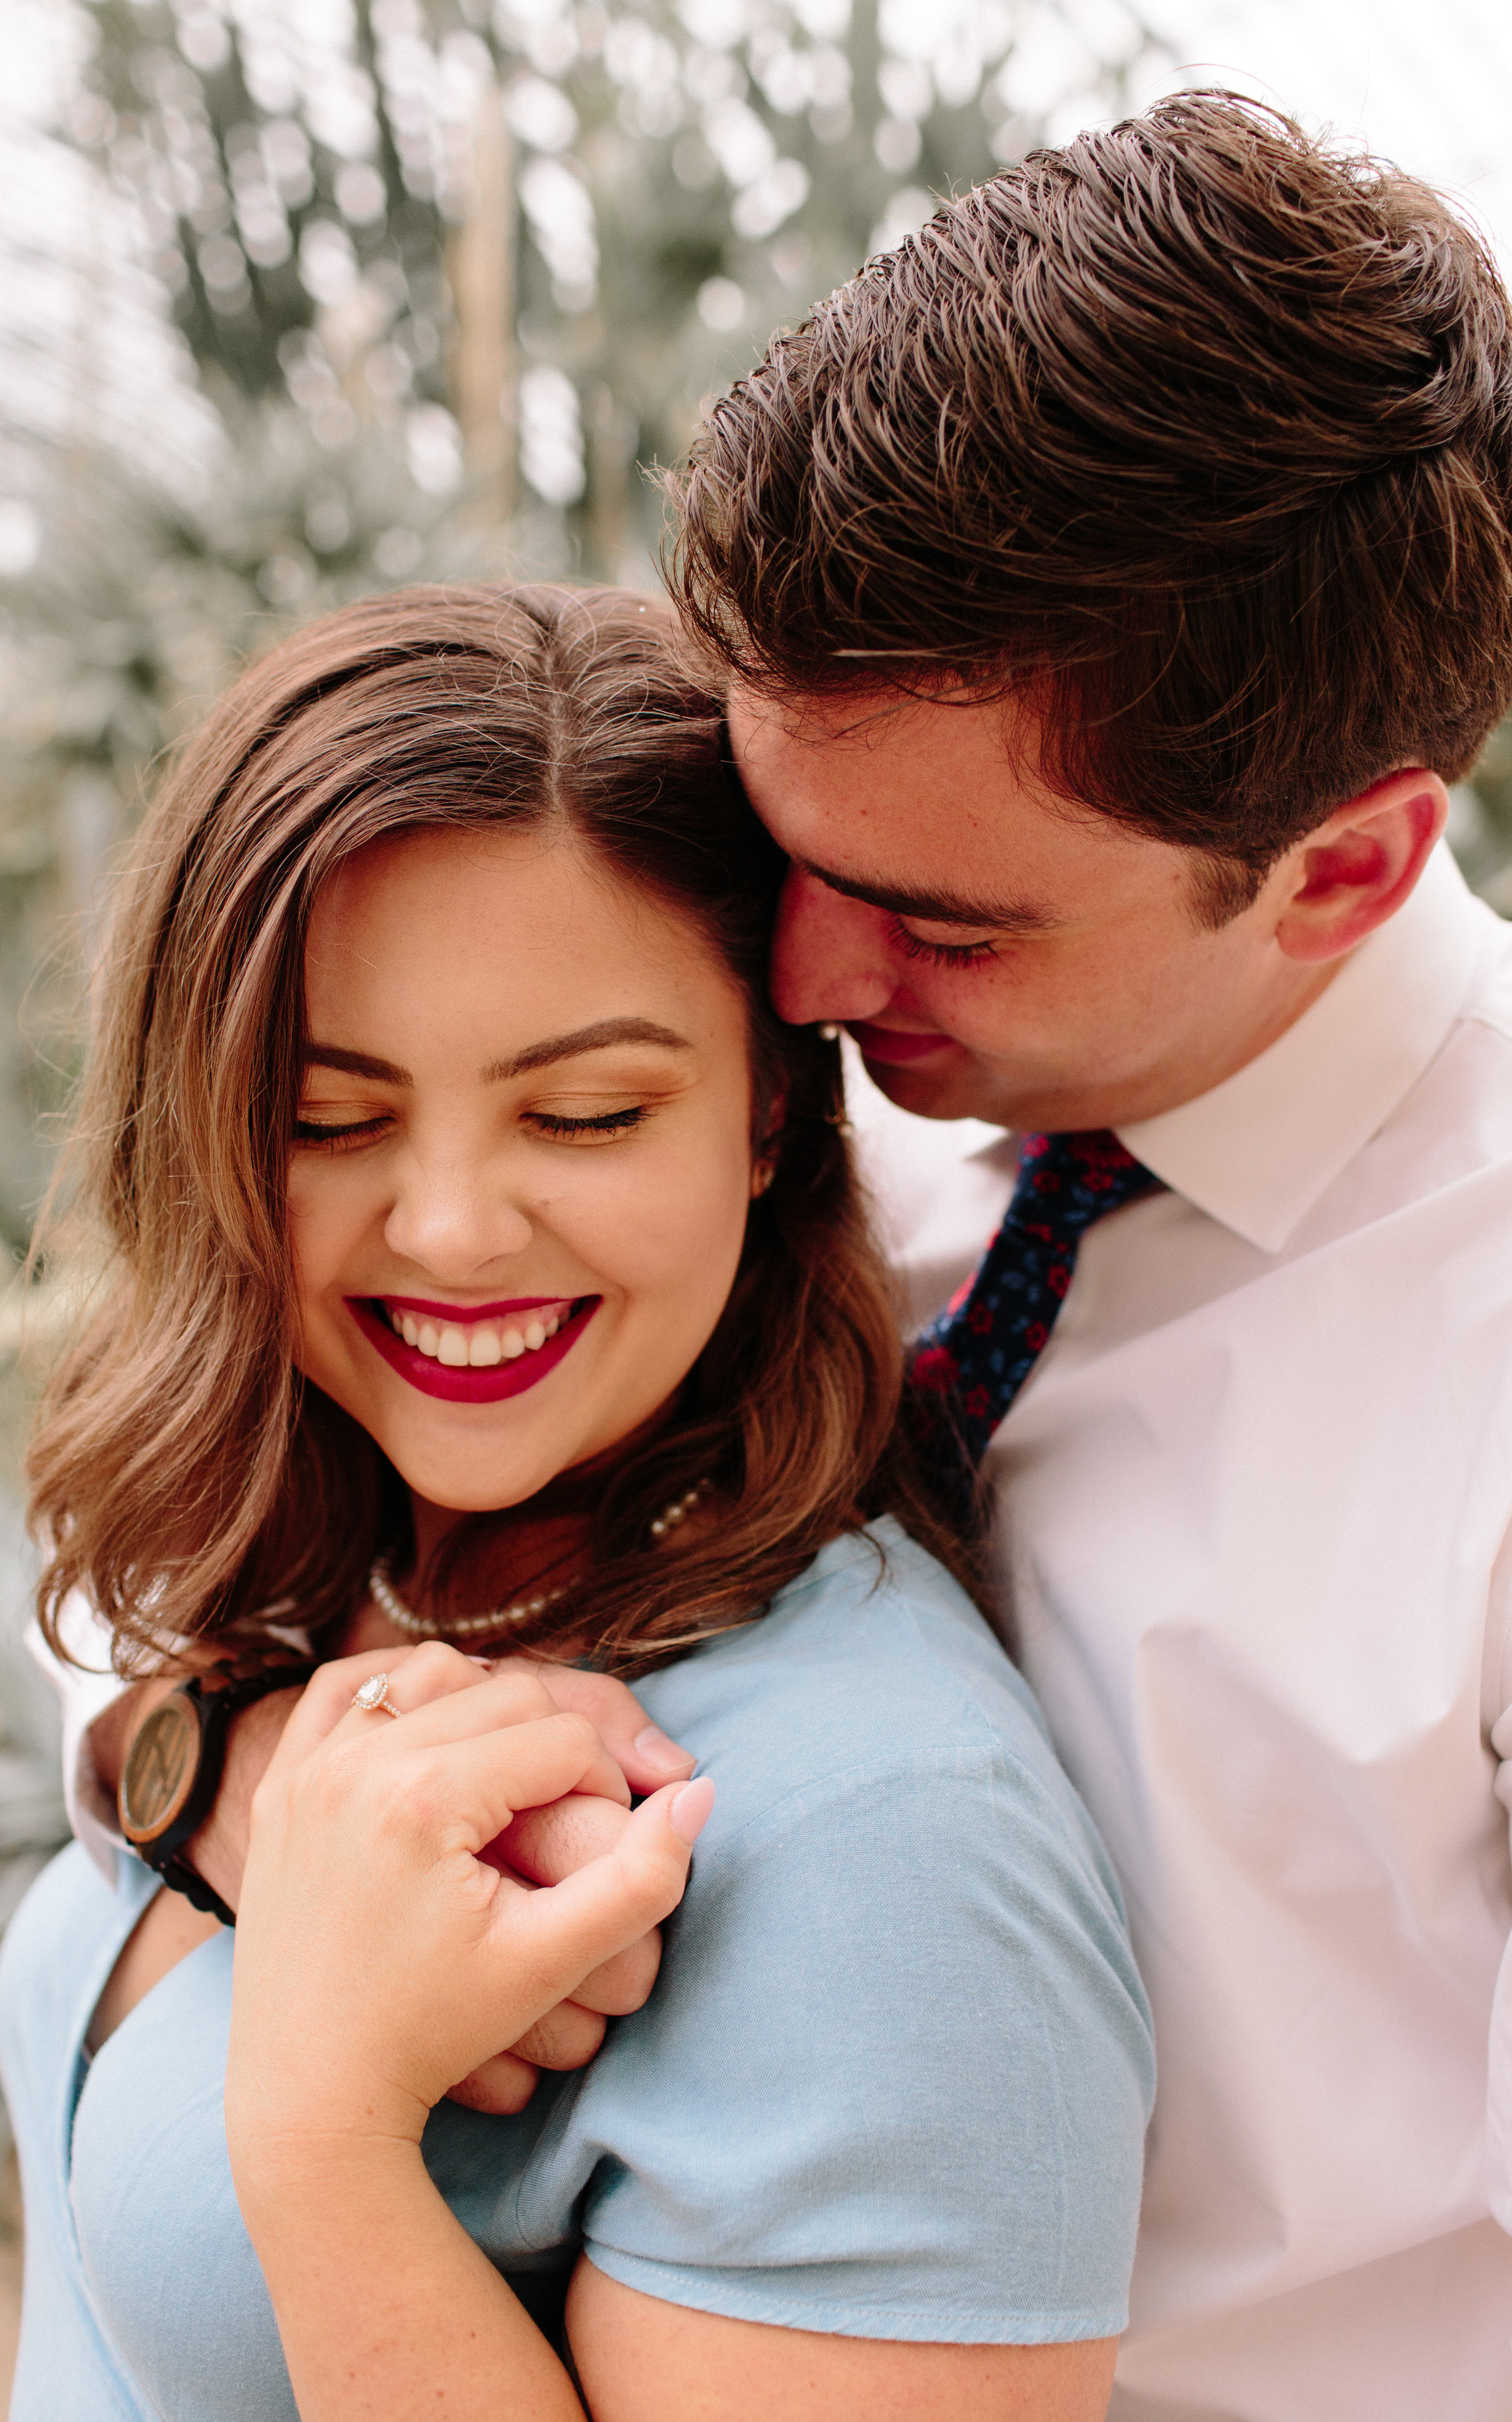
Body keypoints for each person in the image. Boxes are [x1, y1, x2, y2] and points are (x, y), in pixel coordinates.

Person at [0, 584, 1154, 2421]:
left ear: (768, 1115)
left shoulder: (883, 1842)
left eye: (587, 1115)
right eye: (325, 1116)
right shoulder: (333, 1553)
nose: (449, 1230)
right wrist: (222, 1766)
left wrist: (321, 2131)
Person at [664, 89, 1512, 2422]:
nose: (809, 982)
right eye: (780, 852)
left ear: (1338, 873)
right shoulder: (767, 1091)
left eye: (943, 920)